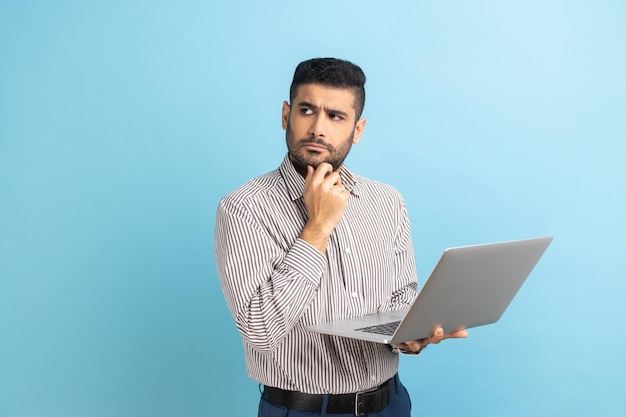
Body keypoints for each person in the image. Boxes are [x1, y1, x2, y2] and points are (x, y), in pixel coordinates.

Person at [214, 58, 467, 417]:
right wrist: (318, 226)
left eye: (335, 116)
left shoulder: (386, 201)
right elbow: (260, 330)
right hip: (303, 411)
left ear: (357, 129)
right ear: (286, 115)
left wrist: (415, 333)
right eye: (306, 110)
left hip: (391, 404)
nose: (318, 128)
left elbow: (401, 297)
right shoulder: (244, 208)